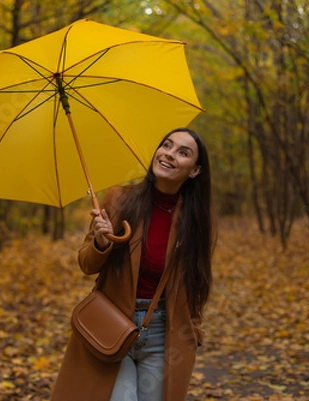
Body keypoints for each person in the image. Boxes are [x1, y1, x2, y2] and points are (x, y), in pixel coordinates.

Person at [51, 128, 215, 401]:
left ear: (195, 171)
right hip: (114, 326)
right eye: (166, 145)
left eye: (182, 152)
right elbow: (86, 264)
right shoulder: (120, 200)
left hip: (164, 334)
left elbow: (197, 282)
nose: (169, 154)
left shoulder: (195, 220)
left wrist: (193, 332)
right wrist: (101, 243)